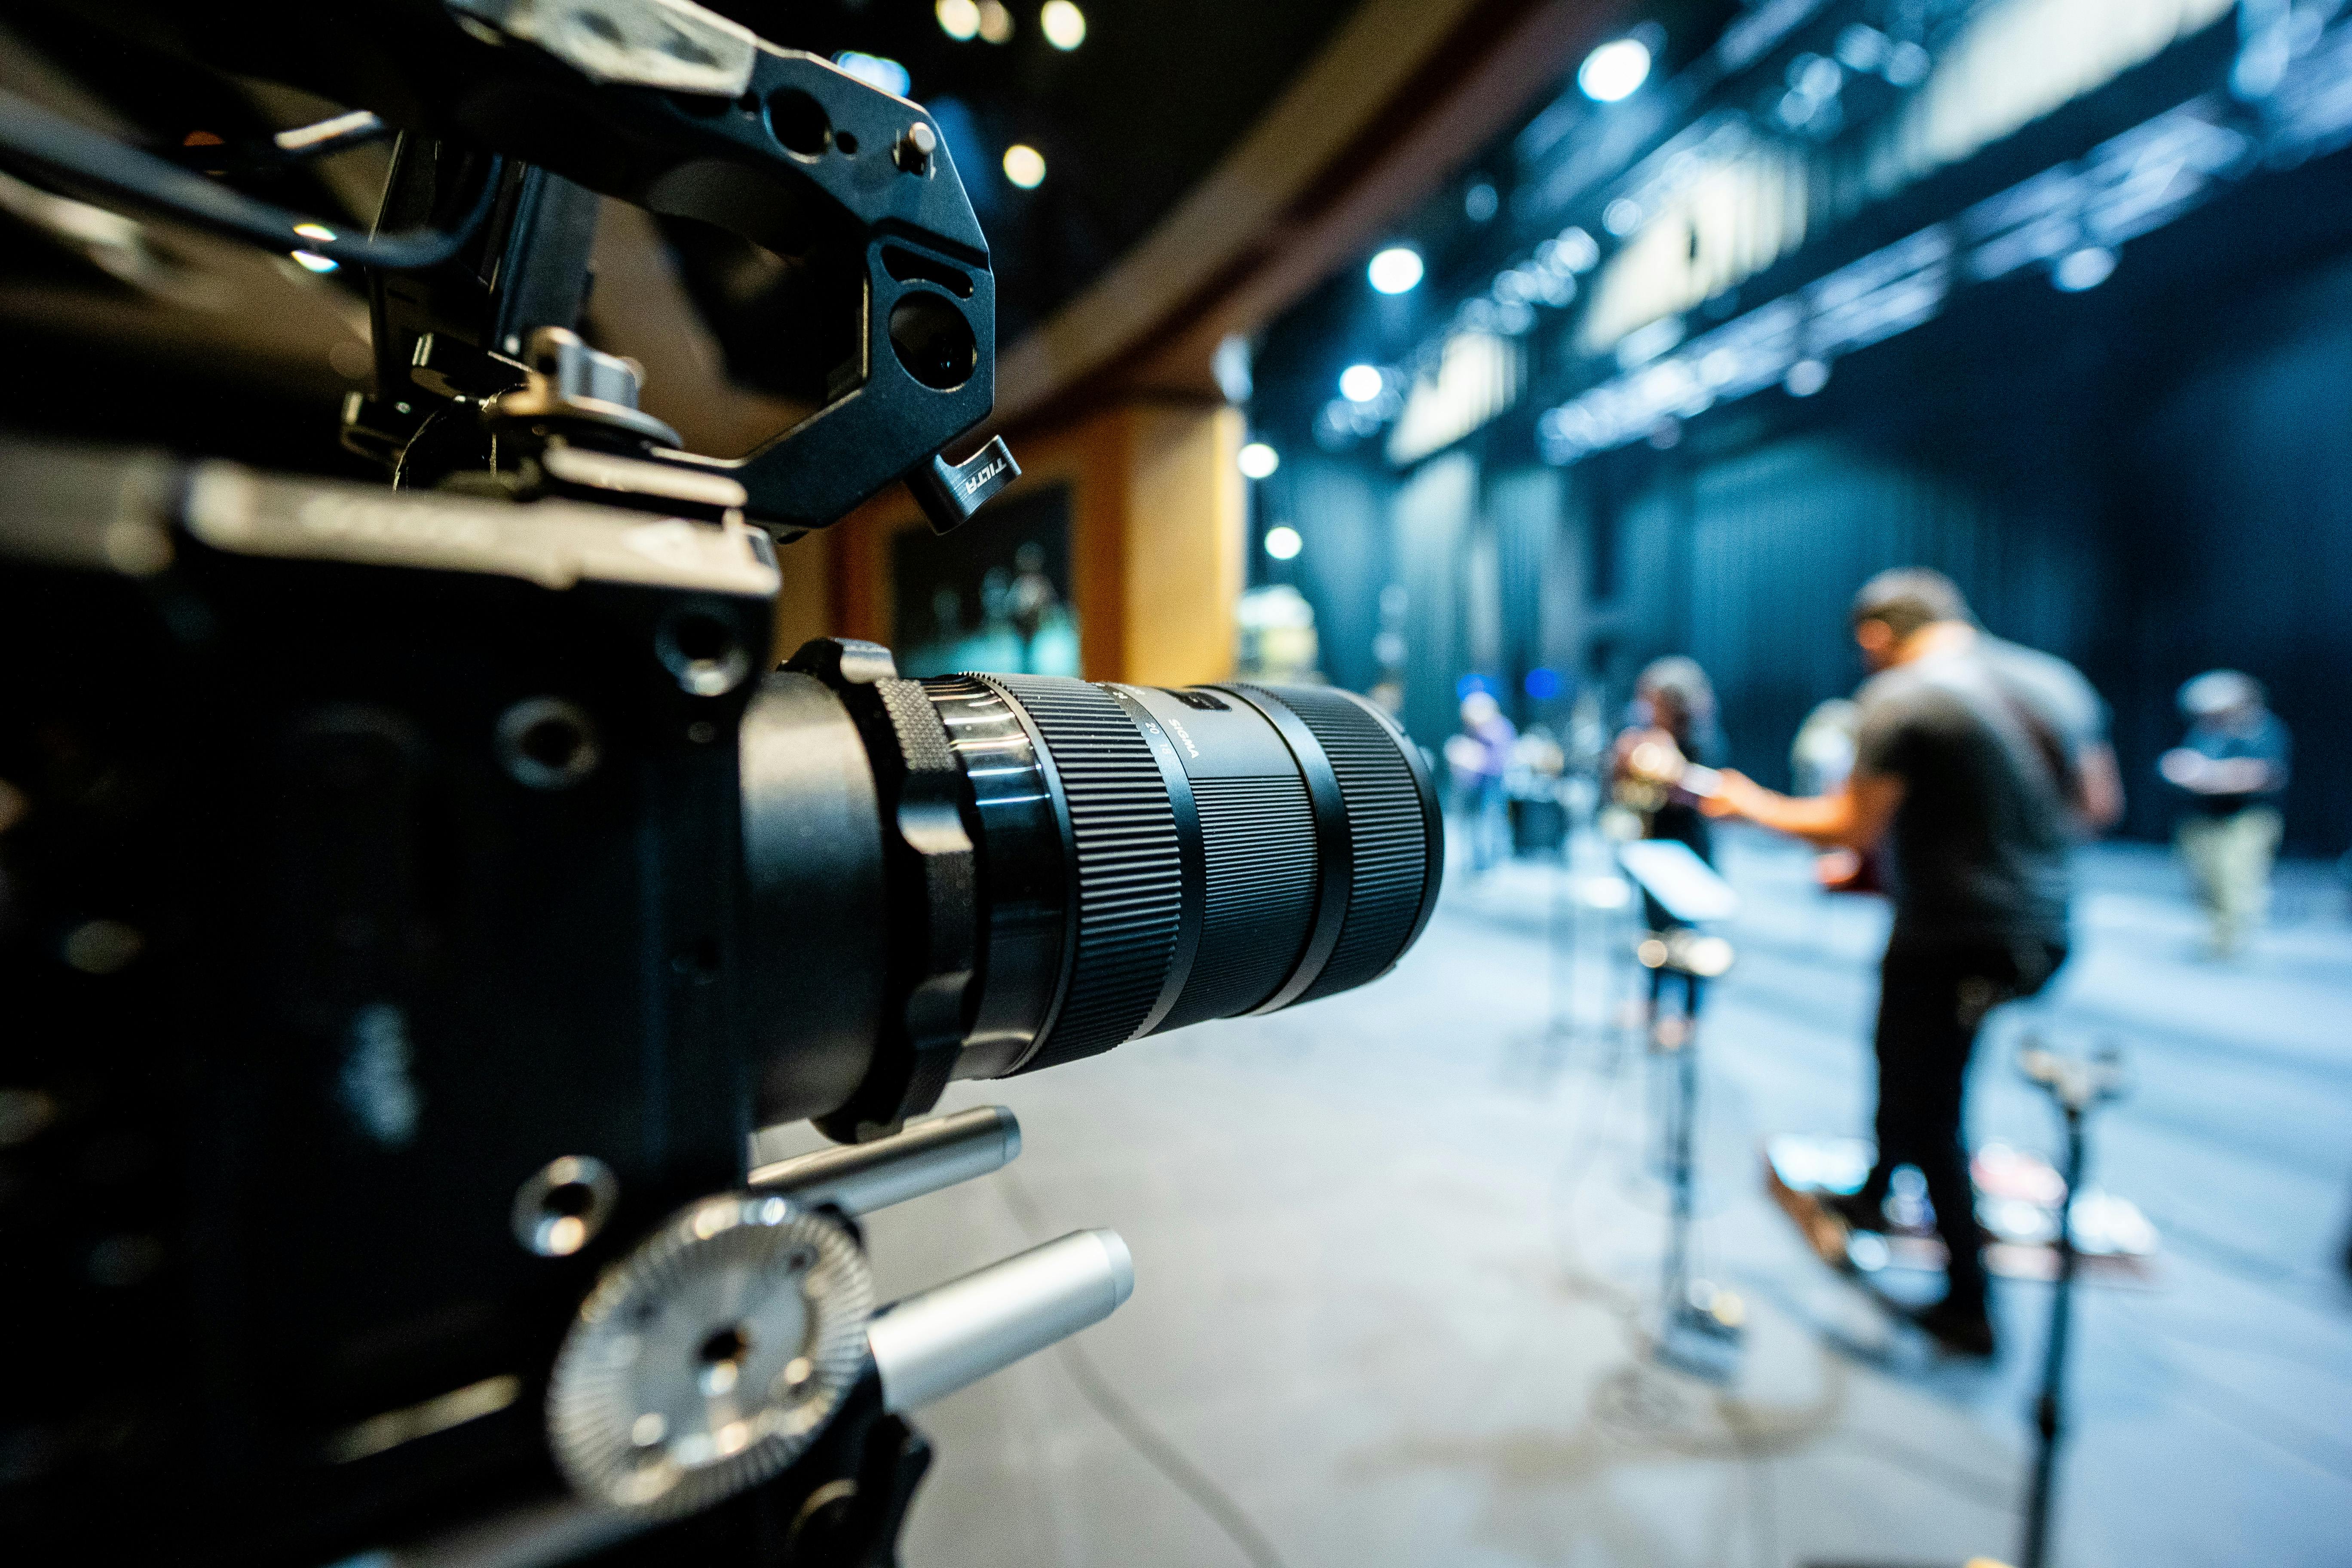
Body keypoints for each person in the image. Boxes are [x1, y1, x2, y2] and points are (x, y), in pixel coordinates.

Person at [1694, 570, 2118, 1356]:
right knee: (1899, 1060)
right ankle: (1870, 1200)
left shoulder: (1900, 697)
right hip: (2046, 927)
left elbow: (1848, 827)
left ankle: (1969, 1302)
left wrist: (1740, 801)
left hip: (1954, 933)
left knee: (1929, 1104)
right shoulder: (2052, 682)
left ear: (1877, 635)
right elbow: (2097, 808)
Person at [2162, 670, 2289, 959]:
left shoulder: (2262, 730)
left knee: (2235, 880)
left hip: (2244, 820)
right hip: (2202, 818)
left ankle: (2233, 944)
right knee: (2205, 882)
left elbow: (2266, 774)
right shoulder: (2206, 732)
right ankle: (2216, 938)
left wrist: (2210, 776)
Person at [1611, 656, 1723, 928]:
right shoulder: (1645, 738)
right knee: (1655, 938)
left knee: (1689, 937)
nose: (1646, 709)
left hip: (1687, 845)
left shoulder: (1698, 743)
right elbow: (1621, 792)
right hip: (1654, 844)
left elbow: (1696, 793)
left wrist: (1662, 766)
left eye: (1653, 701)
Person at [1443, 689, 1516, 873]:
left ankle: (1487, 866)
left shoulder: (1499, 729)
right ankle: (1476, 864)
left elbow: (1498, 763)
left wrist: (1473, 760)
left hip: (1490, 786)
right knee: (1473, 826)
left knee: (1489, 825)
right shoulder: (1477, 729)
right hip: (1472, 786)